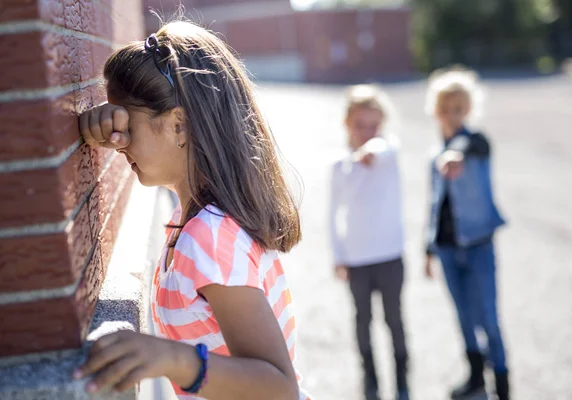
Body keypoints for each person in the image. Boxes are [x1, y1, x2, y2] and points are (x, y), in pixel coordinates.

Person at [75, 20, 310, 400]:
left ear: (179, 125)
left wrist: (172, 358)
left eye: (127, 125)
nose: (118, 142)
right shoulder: (195, 223)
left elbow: (280, 388)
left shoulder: (208, 236)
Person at [423, 66, 509, 400]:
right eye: (445, 110)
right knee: (463, 315)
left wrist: (456, 152)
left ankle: (502, 383)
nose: (451, 116)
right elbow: (433, 204)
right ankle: (475, 376)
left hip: (478, 245)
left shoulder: (475, 143)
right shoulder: (434, 156)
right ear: (435, 111)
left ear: (468, 110)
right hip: (446, 247)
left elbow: (471, 143)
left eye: (458, 109)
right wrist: (427, 249)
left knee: (488, 314)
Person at [329, 85, 409, 400]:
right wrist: (338, 256)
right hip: (357, 259)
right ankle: (370, 381)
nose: (367, 132)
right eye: (360, 125)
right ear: (347, 124)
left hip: (390, 254)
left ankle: (402, 382)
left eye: (373, 125)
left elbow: (385, 148)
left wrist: (374, 147)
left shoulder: (388, 150)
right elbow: (333, 215)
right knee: (363, 321)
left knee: (395, 320)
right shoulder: (340, 165)